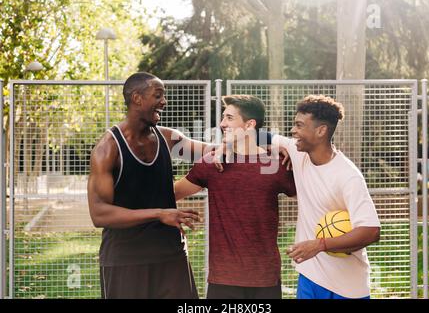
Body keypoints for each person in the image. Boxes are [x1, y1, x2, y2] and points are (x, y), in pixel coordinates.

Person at [87, 72, 213, 299]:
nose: (164, 101)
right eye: (158, 95)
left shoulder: (168, 139)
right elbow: (99, 214)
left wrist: (272, 145)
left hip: (171, 256)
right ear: (137, 98)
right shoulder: (107, 149)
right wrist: (159, 214)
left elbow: (214, 152)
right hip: (125, 260)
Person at [174, 95, 297, 299]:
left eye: (230, 118)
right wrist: (162, 214)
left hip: (265, 279)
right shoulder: (212, 163)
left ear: (250, 124)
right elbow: (173, 193)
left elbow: (309, 196)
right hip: (223, 279)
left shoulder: (276, 164)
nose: (222, 124)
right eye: (223, 118)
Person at [271, 95, 381, 299]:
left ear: (321, 131)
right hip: (310, 277)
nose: (293, 131)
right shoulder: (298, 153)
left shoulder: (348, 176)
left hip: (348, 286)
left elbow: (371, 231)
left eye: (299, 125)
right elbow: (256, 136)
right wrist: (228, 146)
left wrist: (320, 245)